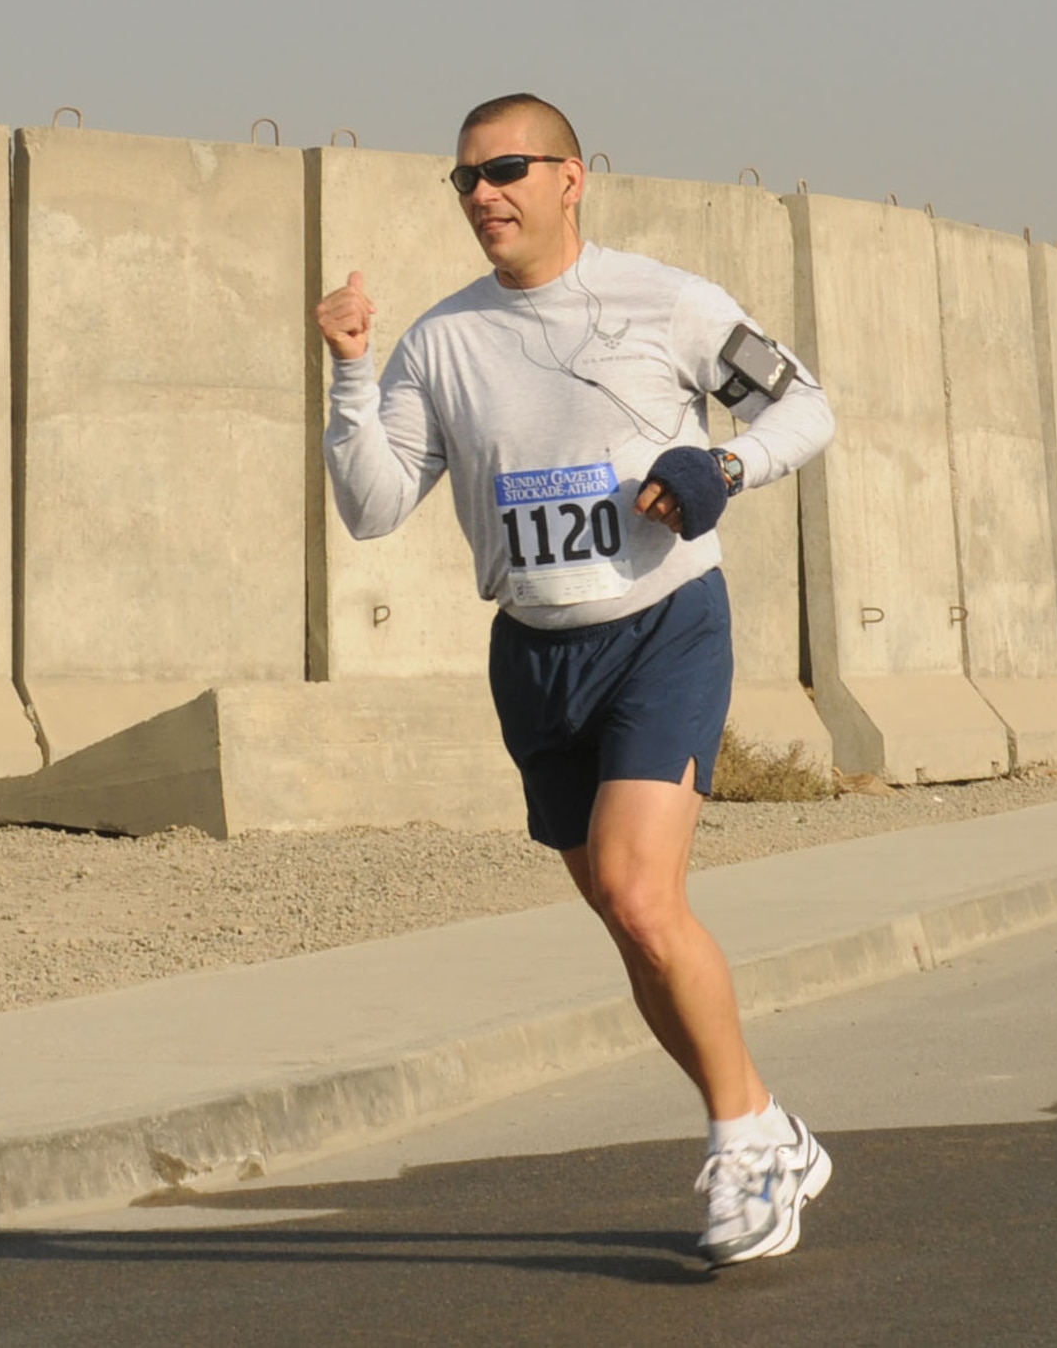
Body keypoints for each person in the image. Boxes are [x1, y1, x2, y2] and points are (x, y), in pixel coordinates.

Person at [314, 94, 836, 1266]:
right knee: (623, 915)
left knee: (645, 895)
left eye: (506, 169)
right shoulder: (440, 341)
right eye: (465, 181)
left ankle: (746, 1145)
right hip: (535, 650)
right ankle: (767, 1123)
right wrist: (350, 372)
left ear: (571, 177)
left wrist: (722, 463)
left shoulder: (670, 300)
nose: (484, 195)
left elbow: (805, 407)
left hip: (663, 627)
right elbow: (370, 504)